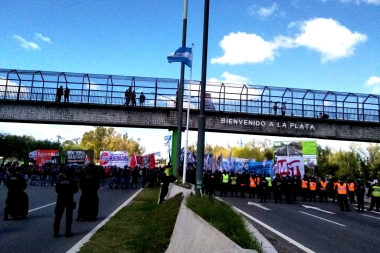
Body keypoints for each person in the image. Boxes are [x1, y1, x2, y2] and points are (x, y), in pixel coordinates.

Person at [53, 167, 78, 238]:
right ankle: (67, 232)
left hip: (60, 200)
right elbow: (75, 190)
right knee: (69, 217)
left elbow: (57, 190)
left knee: (58, 217)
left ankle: (56, 232)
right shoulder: (71, 181)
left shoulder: (59, 181)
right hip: (69, 200)